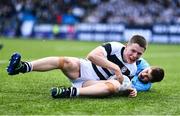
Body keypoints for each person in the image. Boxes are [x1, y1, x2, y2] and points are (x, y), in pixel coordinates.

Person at [7, 35, 148, 98]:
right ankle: (22, 67)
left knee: (114, 87)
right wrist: (116, 68)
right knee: (65, 61)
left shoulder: (133, 69)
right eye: (133, 51)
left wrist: (130, 89)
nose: (135, 55)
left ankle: (70, 92)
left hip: (93, 84)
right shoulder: (115, 46)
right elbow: (92, 56)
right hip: (84, 68)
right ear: (126, 45)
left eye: (139, 54)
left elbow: (122, 84)